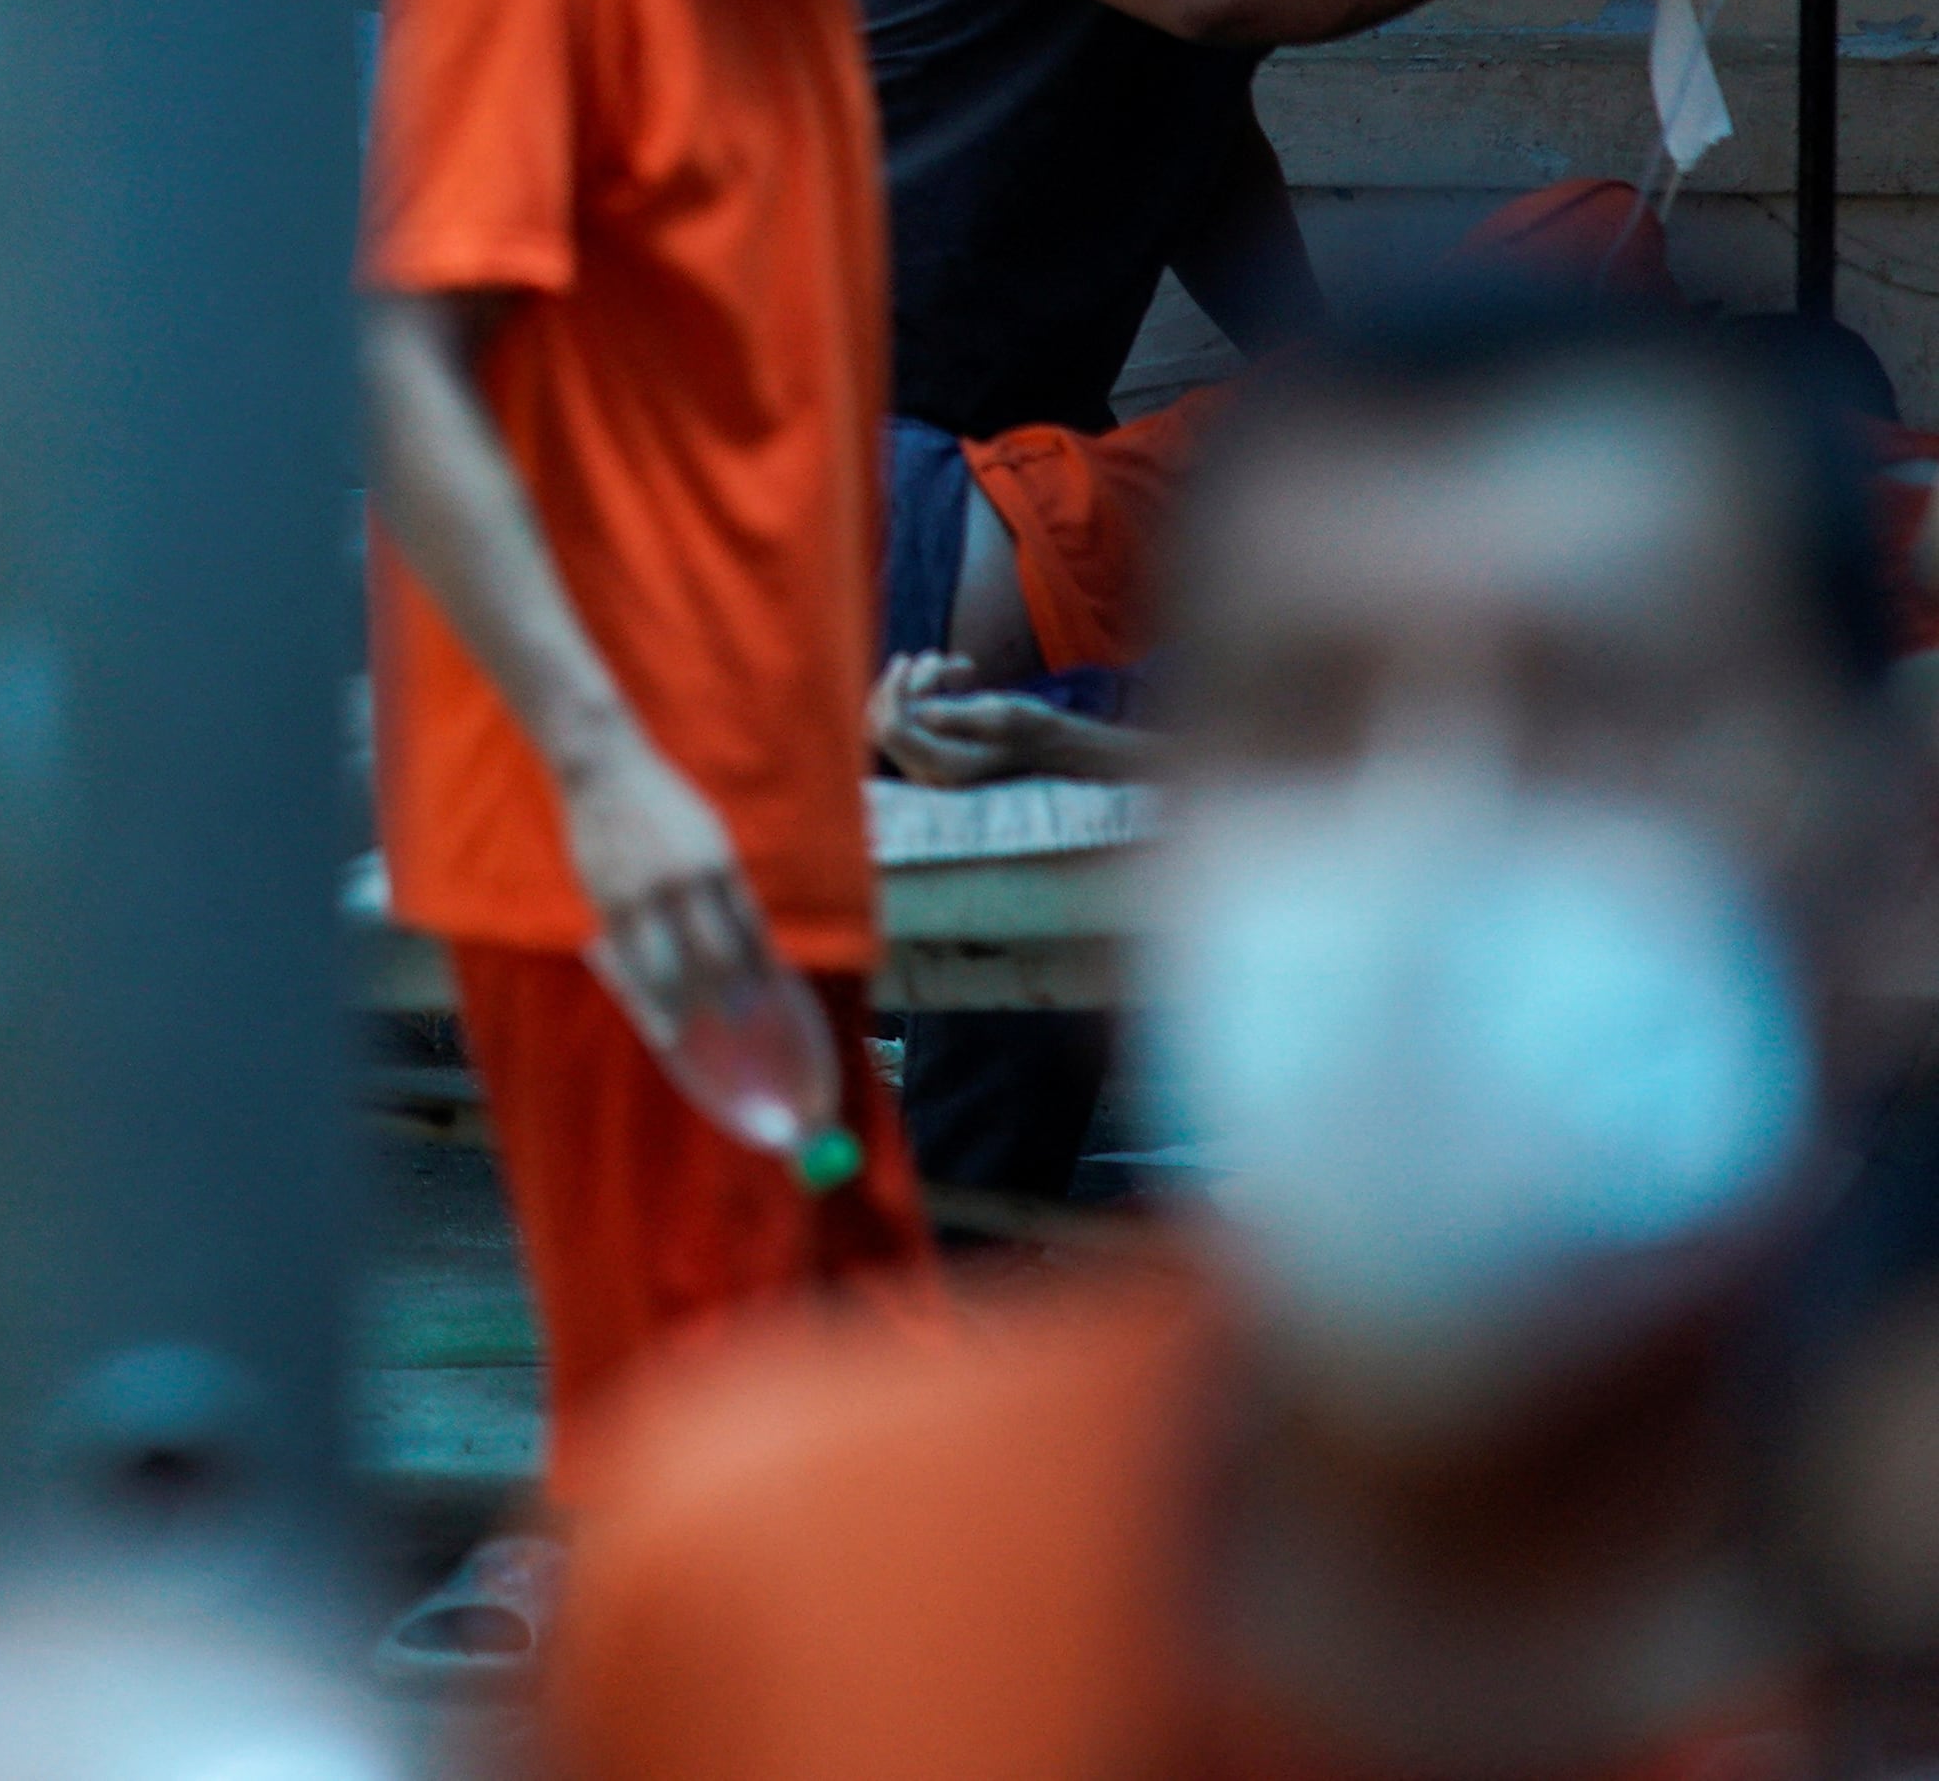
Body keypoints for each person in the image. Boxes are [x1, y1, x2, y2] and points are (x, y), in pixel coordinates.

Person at [545, 284, 1929, 1779]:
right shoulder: (779, 1587)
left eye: (1597, 705)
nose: (1429, 846)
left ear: (1880, 866)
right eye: (1306, 713)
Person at [849, 0, 1722, 1196]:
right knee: (915, 895)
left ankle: (968, 1259)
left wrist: (1326, 385)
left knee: (1021, 933)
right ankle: (864, 1297)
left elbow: (1203, 122)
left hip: (1017, 445)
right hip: (840, 452)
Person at [360, 0, 946, 1665]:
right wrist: (607, 769)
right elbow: (404, 365)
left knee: (836, 1364)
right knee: (708, 1445)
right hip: (620, 868)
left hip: (759, 843)